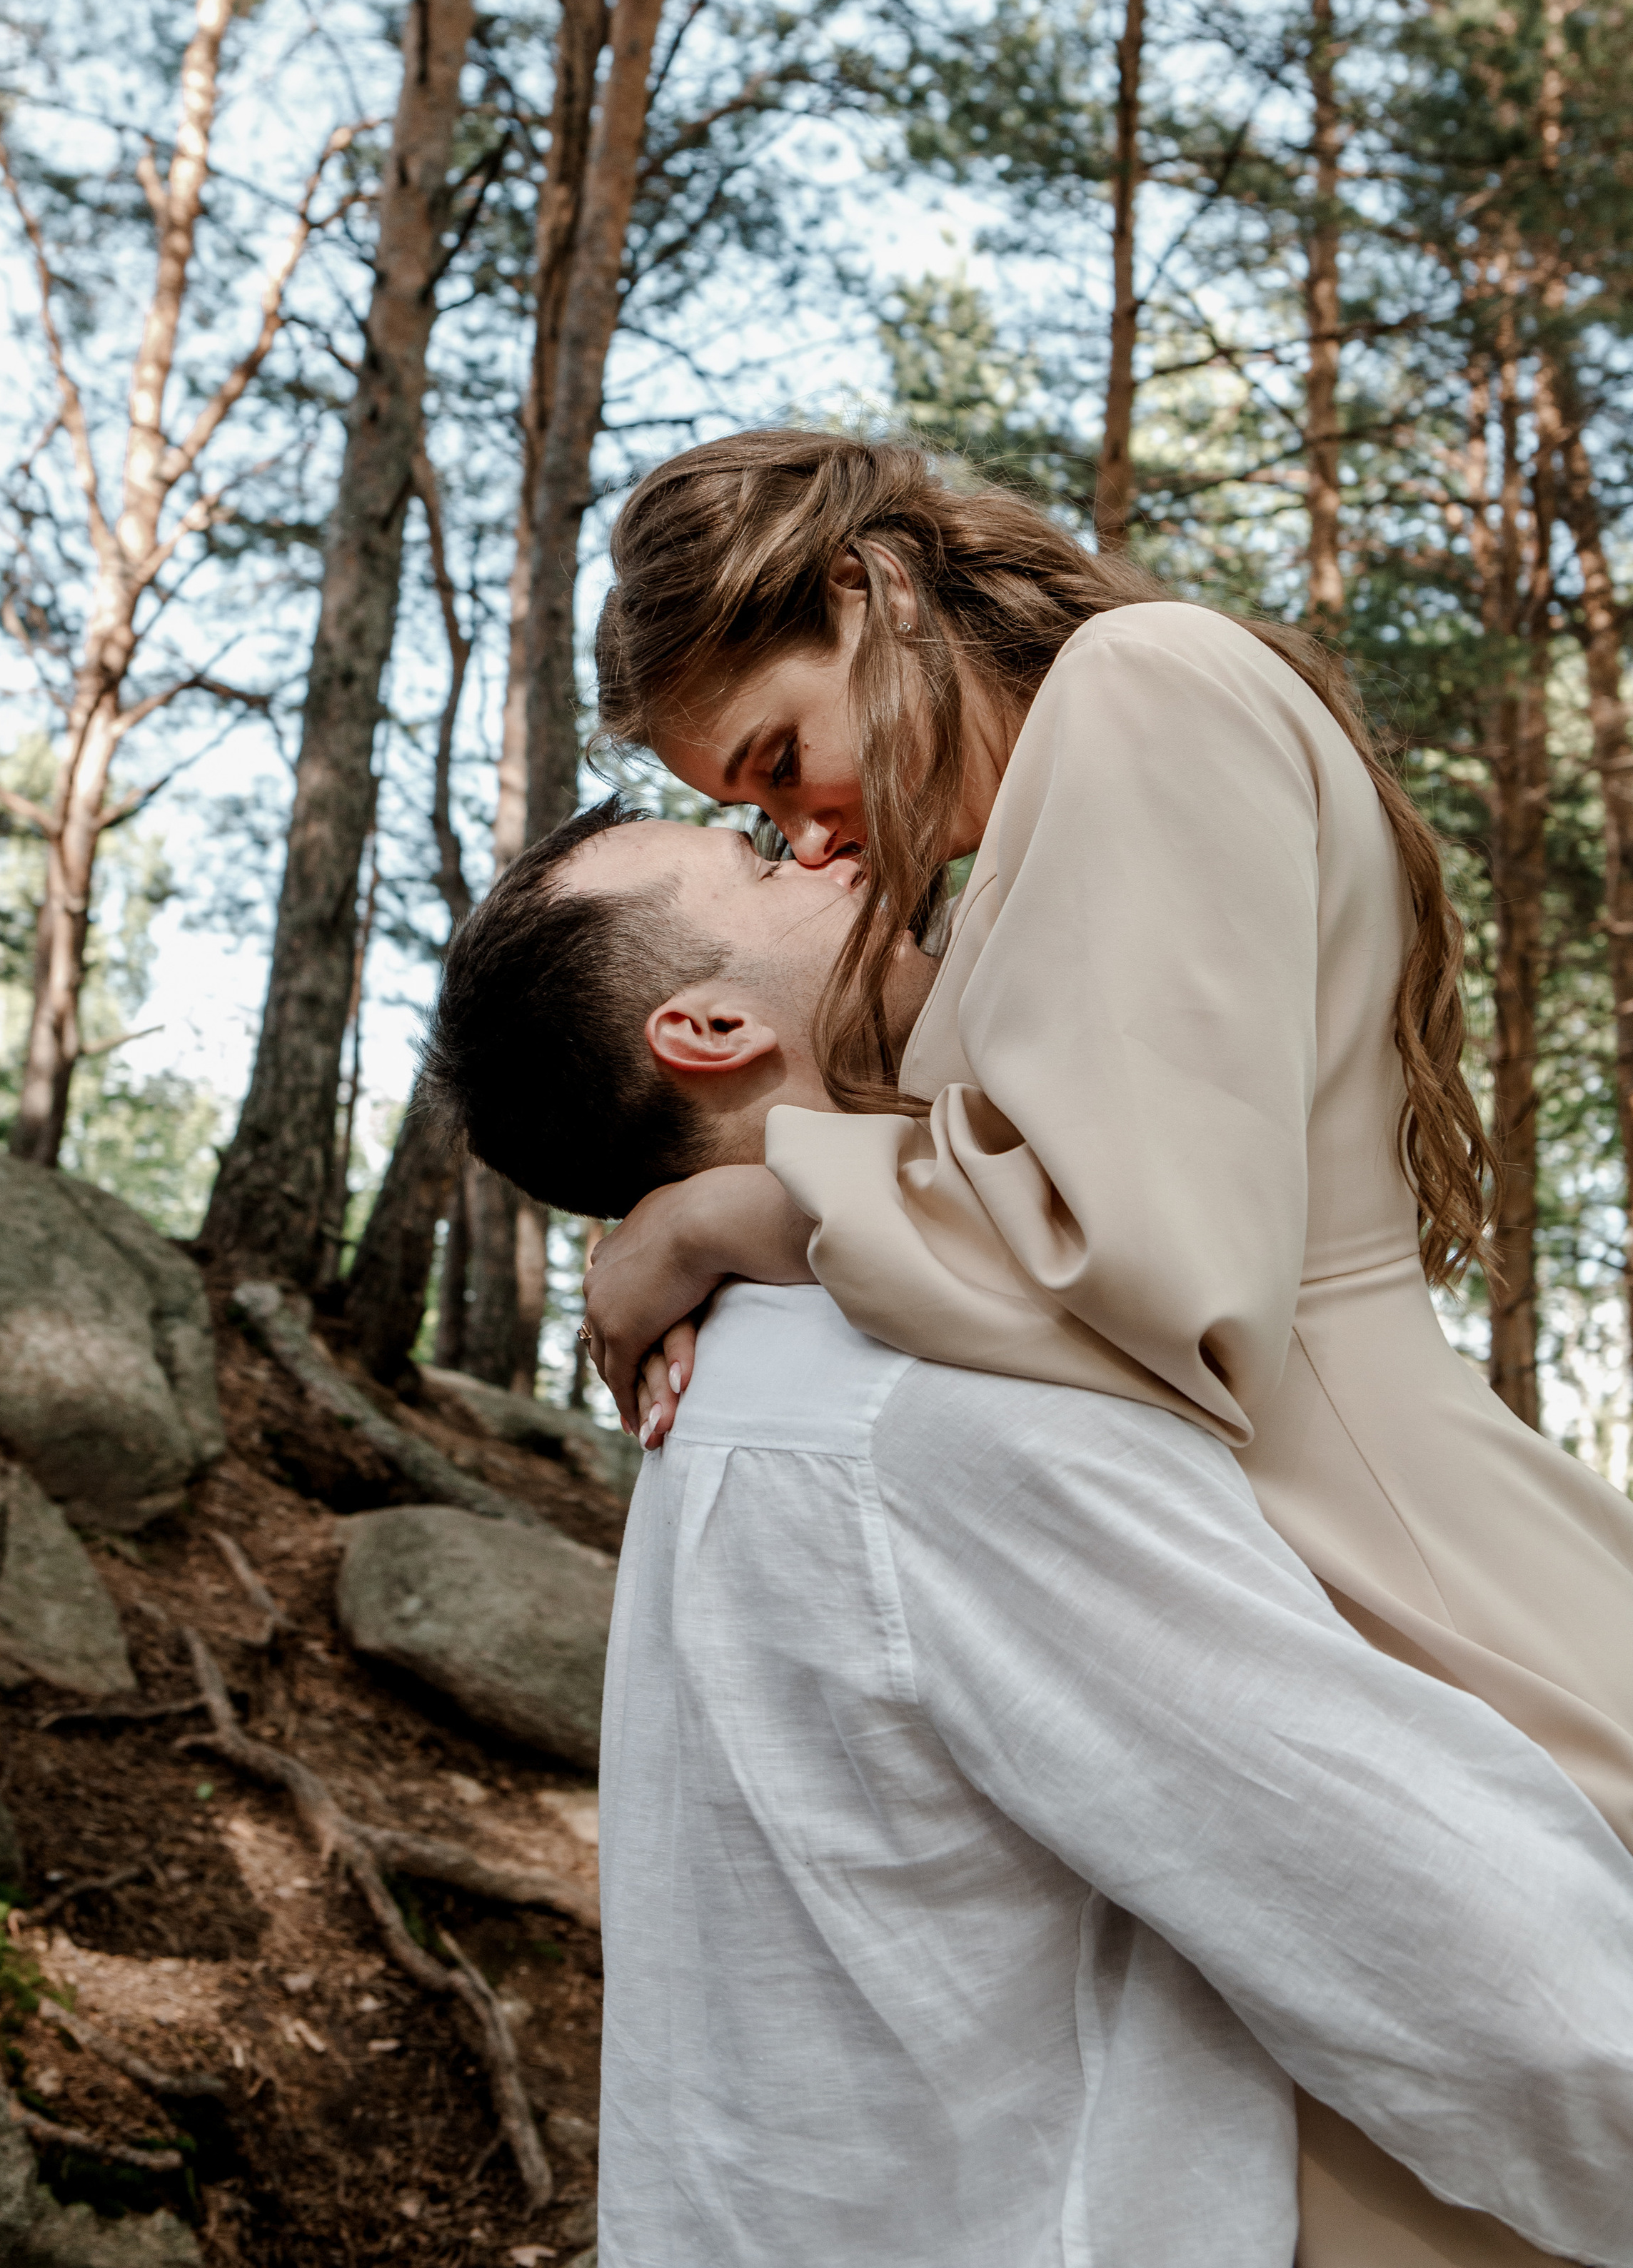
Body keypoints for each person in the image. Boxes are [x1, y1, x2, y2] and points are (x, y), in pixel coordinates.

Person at [424, 800, 1633, 2268]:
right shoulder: (923, 1415)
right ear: (710, 1025)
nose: (830, 842)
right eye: (753, 857)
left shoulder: (751, 1382)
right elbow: (1489, 1970)